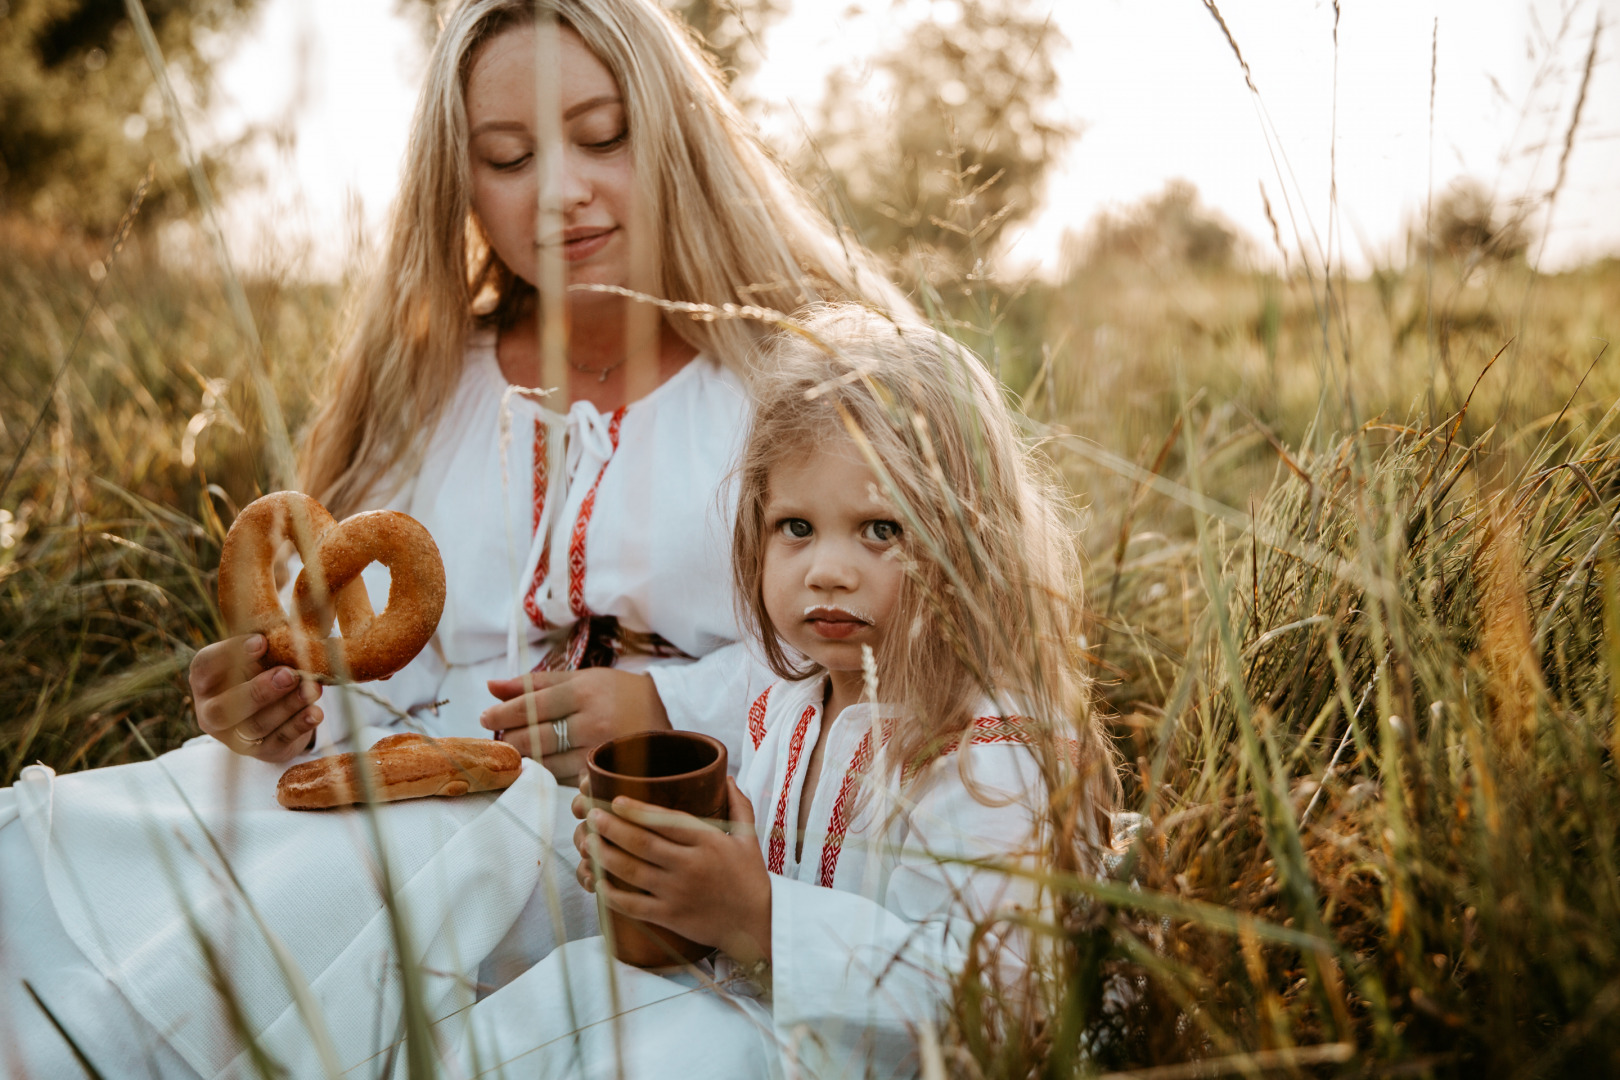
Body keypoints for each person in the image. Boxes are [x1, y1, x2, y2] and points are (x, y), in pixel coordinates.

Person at [0, 2, 909, 1075]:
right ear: (462, 180)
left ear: (674, 129)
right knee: (124, 860)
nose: (561, 190)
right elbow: (374, 672)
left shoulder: (786, 385)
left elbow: (891, 644)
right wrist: (281, 708)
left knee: (410, 856)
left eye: (602, 135)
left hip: (652, 845)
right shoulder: (434, 386)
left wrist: (674, 702)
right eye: (509, 157)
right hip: (412, 791)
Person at [414, 304, 1118, 1079]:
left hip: (844, 1061)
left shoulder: (987, 752)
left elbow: (1009, 1002)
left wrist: (757, 916)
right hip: (743, 1013)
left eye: (882, 529)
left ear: (972, 542)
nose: (827, 569)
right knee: (553, 1003)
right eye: (796, 527)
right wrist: (653, 870)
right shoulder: (789, 704)